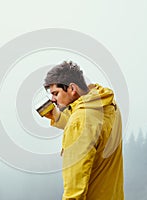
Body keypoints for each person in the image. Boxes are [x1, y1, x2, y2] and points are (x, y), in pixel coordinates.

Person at [43, 61, 124, 200]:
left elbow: (75, 188)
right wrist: (57, 117)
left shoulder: (80, 122)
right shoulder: (108, 105)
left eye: (56, 93)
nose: (53, 99)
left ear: (72, 89)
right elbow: (90, 130)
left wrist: (73, 124)